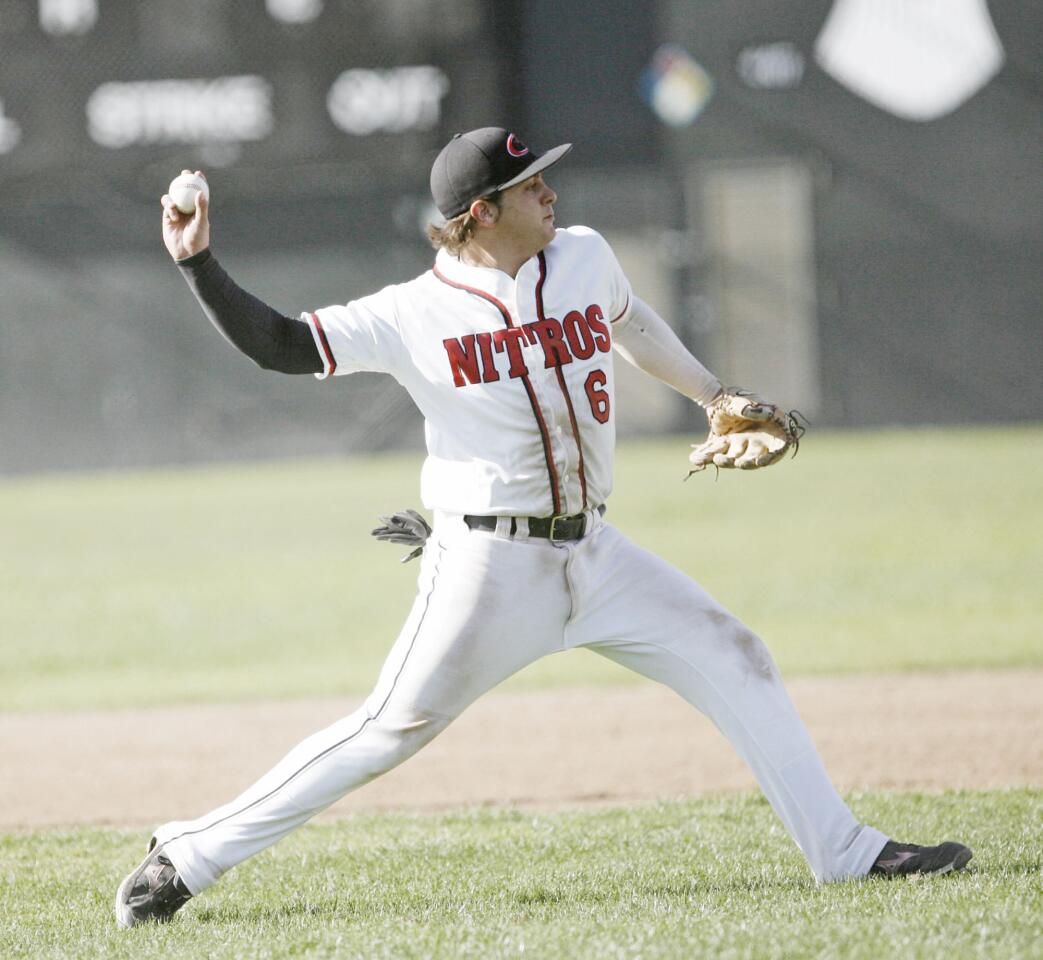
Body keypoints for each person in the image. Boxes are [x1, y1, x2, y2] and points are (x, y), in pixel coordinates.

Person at [115, 127, 971, 928]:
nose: (549, 193)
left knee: (736, 653)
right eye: (529, 185)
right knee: (388, 729)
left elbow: (631, 322)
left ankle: (847, 854)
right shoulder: (414, 312)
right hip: (486, 564)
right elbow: (282, 345)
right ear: (481, 211)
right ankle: (187, 854)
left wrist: (712, 396)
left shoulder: (585, 258)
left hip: (596, 551)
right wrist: (197, 263)